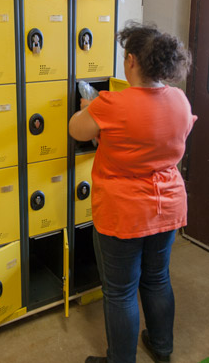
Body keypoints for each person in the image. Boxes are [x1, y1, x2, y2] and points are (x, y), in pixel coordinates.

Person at [69, 22, 197, 363]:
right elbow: (164, 136)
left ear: (131, 61)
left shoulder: (111, 104)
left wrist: (88, 107)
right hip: (167, 207)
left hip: (123, 213)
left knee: (120, 291)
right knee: (157, 279)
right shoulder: (180, 101)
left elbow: (76, 130)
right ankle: (162, 348)